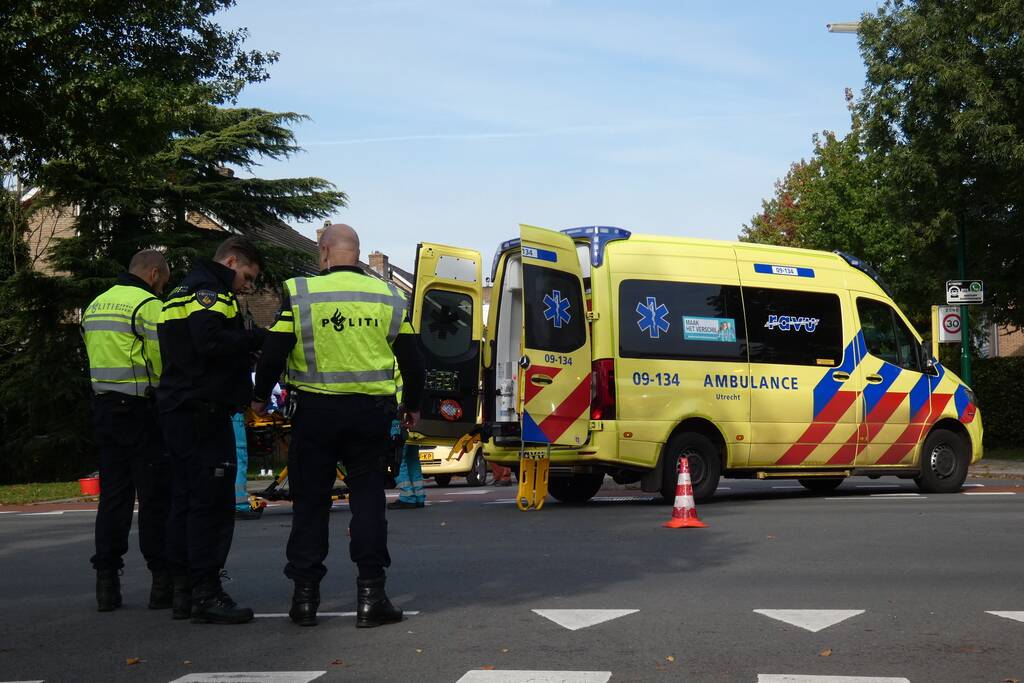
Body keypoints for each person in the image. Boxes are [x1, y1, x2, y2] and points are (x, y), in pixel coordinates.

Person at [252, 223, 424, 628]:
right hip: (370, 416)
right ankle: (371, 596)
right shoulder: (390, 296)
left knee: (310, 504)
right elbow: (414, 362)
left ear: (325, 251)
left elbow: (275, 350)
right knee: (368, 503)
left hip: (315, 414)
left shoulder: (301, 293)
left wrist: (259, 397)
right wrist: (411, 406)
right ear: (356, 252)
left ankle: (305, 599)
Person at [157, 236, 265, 624]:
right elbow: (210, 341)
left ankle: (182, 590)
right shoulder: (211, 291)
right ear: (232, 261)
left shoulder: (179, 291)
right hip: (203, 412)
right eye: (247, 276)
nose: (246, 286)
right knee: (212, 504)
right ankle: (207, 591)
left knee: (184, 500)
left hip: (178, 409)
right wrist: (254, 338)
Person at [82, 249, 172, 612]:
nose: (163, 286)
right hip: (141, 410)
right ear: (153, 274)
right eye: (163, 280)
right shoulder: (147, 305)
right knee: (153, 496)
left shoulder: (96, 305)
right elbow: (161, 359)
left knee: (114, 497)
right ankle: (161, 581)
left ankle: (107, 581)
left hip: (105, 408)